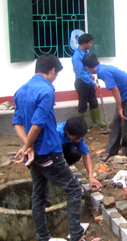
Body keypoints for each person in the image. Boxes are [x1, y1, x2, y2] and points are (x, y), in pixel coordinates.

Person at [13, 54, 85, 241]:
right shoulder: (46, 91)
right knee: (74, 190)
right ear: (52, 70)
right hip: (48, 152)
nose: (55, 78)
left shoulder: (21, 90)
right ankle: (76, 235)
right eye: (56, 74)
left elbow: (17, 123)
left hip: (34, 155)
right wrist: (29, 145)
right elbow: (37, 125)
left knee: (39, 194)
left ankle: (43, 237)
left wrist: (27, 147)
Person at [82, 54, 127, 161]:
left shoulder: (103, 71)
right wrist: (119, 107)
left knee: (125, 123)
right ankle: (111, 151)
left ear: (87, 68)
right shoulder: (103, 69)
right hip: (125, 97)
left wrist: (120, 108)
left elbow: (114, 89)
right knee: (116, 122)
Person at [58, 116, 102, 190]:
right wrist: (71, 184)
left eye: (80, 138)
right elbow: (56, 158)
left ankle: (62, 171)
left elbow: (85, 154)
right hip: (45, 156)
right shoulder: (56, 134)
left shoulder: (77, 134)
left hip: (60, 153)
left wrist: (91, 176)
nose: (78, 141)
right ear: (67, 133)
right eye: (76, 138)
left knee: (76, 154)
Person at [72, 33, 106, 127]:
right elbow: (81, 74)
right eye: (90, 43)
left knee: (93, 100)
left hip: (89, 80)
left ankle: (97, 121)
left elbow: (88, 67)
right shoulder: (77, 57)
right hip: (82, 82)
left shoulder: (86, 53)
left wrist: (91, 74)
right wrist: (93, 83)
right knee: (83, 104)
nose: (91, 45)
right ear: (85, 43)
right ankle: (80, 126)